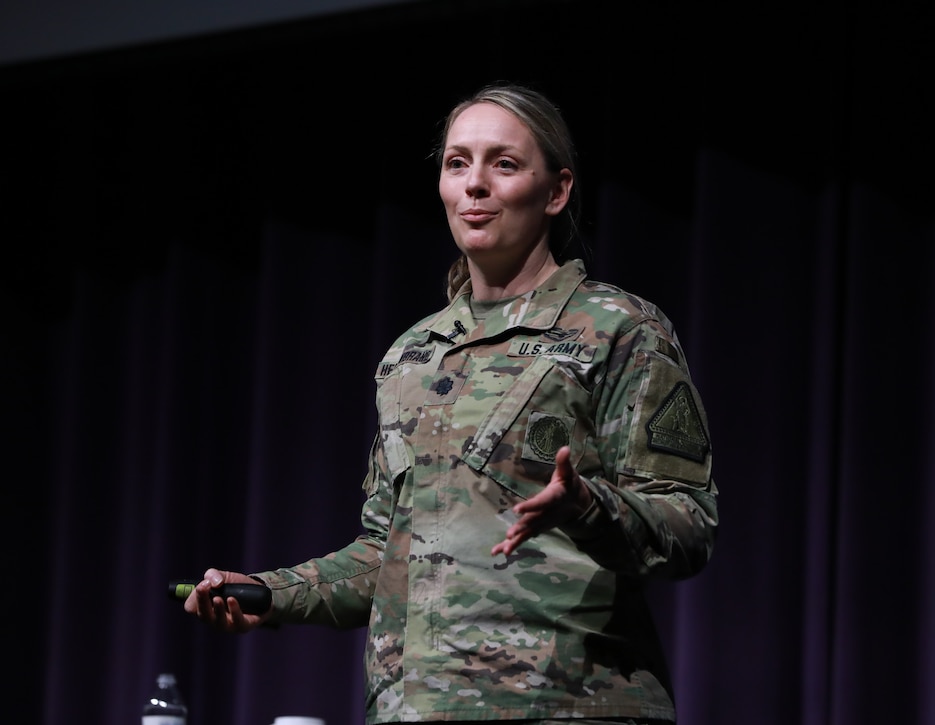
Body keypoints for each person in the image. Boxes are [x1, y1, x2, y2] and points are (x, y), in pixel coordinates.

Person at [185, 81, 719, 725]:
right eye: (457, 162)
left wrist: (586, 506)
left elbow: (688, 524)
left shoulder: (618, 329)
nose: (475, 184)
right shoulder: (413, 356)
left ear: (557, 191)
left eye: (505, 163)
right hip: (417, 710)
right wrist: (272, 594)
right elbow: (385, 552)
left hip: (570, 707)